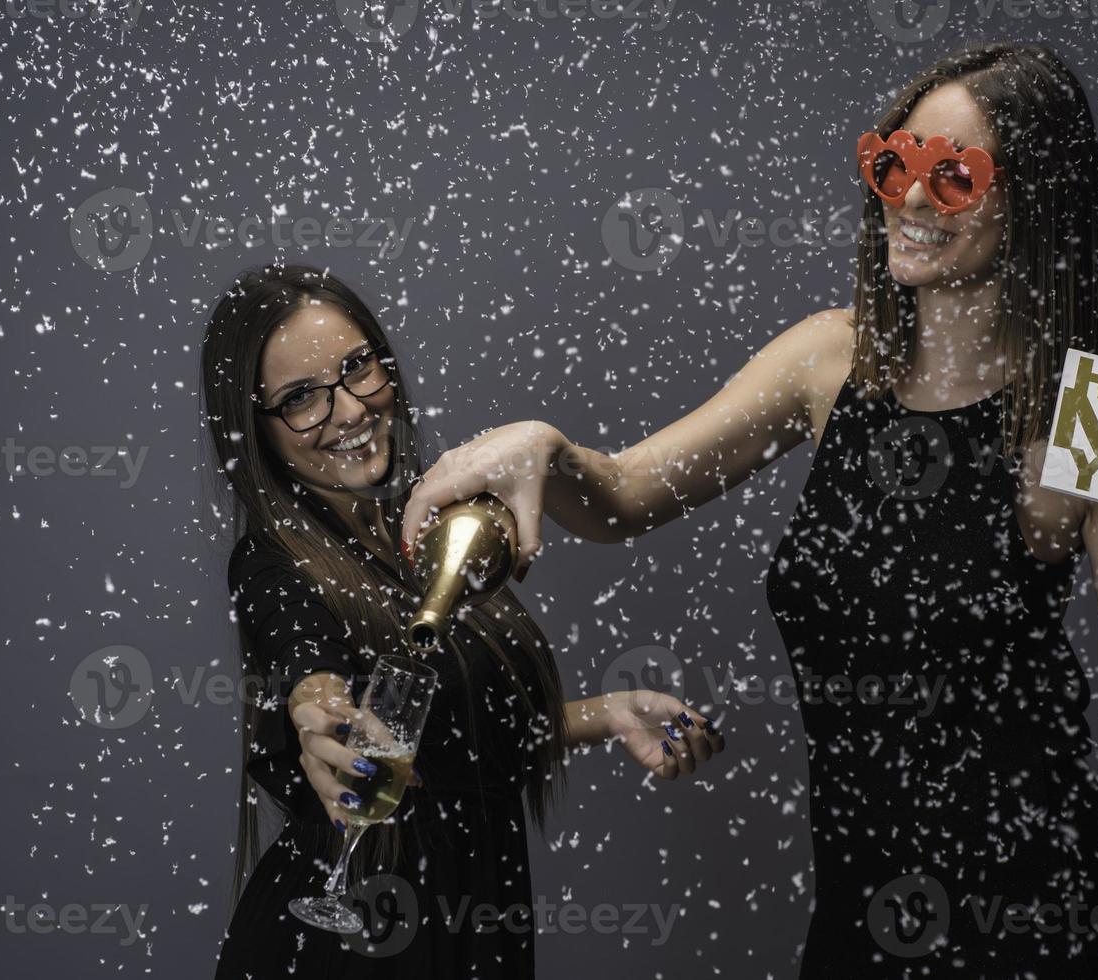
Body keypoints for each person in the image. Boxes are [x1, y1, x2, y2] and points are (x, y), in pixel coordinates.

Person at [397, 43, 1098, 977]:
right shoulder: (825, 362)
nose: (914, 201)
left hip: (1039, 920)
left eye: (956, 179)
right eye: (896, 162)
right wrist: (545, 447)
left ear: (1035, 202)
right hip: (861, 912)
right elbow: (624, 497)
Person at [204, 262, 725, 978]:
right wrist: (317, 713)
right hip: (356, 944)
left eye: (358, 367)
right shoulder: (270, 563)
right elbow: (306, 664)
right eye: (301, 399)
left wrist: (605, 714)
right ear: (255, 431)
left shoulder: (428, 529)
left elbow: (456, 746)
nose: (350, 410)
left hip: (473, 922)